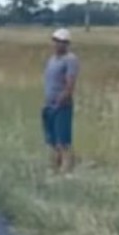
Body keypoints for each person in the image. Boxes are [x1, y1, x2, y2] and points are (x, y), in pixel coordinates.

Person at [43, 28, 80, 175]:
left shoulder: (70, 60)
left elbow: (70, 83)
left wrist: (62, 99)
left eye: (63, 42)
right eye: (57, 41)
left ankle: (66, 170)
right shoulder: (52, 59)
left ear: (67, 44)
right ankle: (55, 167)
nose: (59, 44)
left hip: (61, 104)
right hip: (48, 102)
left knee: (63, 140)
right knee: (52, 140)